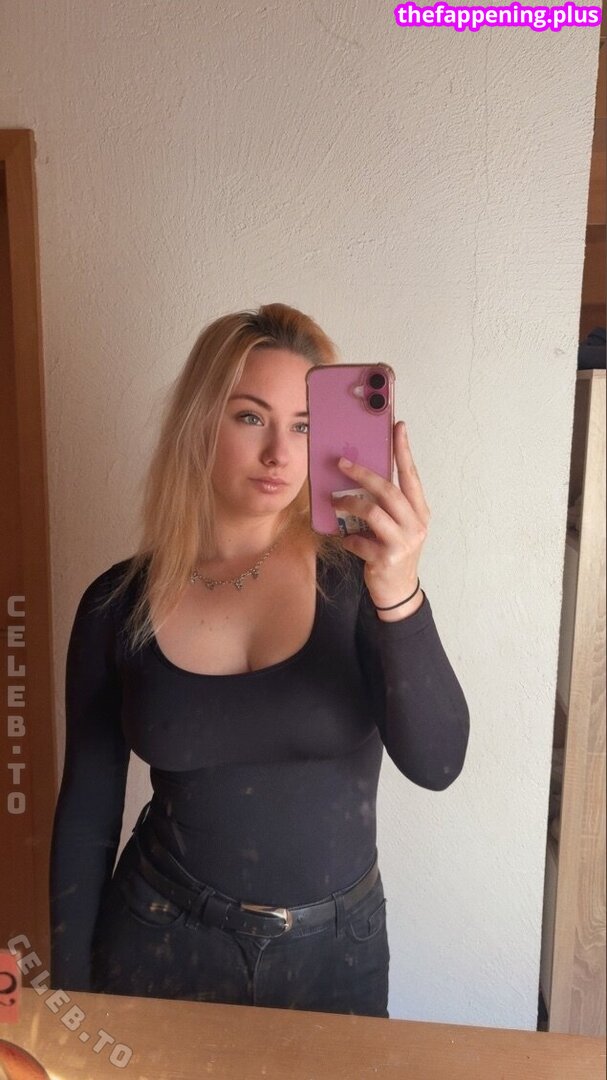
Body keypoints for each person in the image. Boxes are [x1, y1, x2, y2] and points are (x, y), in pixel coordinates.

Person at [49, 302, 470, 1018]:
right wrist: (67, 997)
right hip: (158, 938)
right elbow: (87, 810)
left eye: (303, 425)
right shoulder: (118, 604)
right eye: (250, 417)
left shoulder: (359, 583)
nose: (280, 453)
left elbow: (438, 763)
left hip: (334, 958)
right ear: (198, 423)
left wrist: (399, 592)